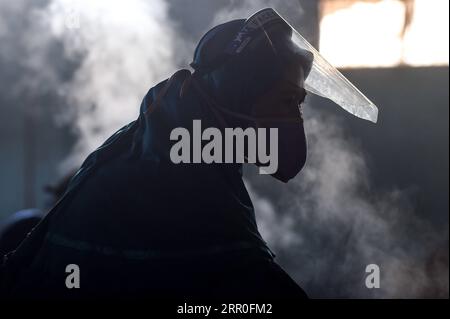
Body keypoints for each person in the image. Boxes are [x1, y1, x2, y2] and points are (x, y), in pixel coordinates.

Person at [0, 8, 313, 299]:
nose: (296, 119)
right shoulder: (183, 187)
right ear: (238, 96)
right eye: (286, 101)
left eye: (299, 104)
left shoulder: (161, 152)